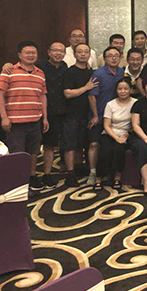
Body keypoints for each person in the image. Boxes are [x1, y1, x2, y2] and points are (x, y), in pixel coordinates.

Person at [0, 41, 48, 189]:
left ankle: (32, 176)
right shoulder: (9, 71)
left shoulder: (40, 73)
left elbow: (43, 96)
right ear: (20, 55)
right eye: (27, 53)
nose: (31, 55)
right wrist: (4, 117)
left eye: (33, 53)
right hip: (15, 122)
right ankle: (18, 182)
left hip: (35, 120)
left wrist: (45, 117)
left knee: (34, 151)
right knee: (17, 153)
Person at [88, 46, 125, 188]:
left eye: (116, 55)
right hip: (99, 114)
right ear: (104, 58)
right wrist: (95, 115)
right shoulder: (98, 73)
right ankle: (93, 172)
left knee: (109, 146)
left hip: (115, 115)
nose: (114, 58)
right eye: (110, 56)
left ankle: (110, 173)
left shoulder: (121, 72)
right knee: (94, 144)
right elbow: (91, 96)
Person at [62, 43, 97, 187]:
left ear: (90, 54)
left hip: (87, 114)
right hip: (72, 113)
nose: (83, 54)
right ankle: (70, 174)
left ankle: (78, 167)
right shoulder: (69, 72)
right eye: (80, 52)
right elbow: (68, 93)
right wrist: (86, 87)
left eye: (86, 52)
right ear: (75, 54)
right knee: (70, 145)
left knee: (82, 144)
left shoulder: (92, 73)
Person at [34, 42, 67, 187]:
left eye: (61, 51)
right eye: (55, 50)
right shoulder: (39, 65)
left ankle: (47, 174)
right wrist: (8, 65)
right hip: (38, 110)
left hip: (57, 111)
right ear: (48, 52)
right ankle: (31, 175)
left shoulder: (64, 66)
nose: (58, 53)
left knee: (50, 144)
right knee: (34, 146)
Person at [100, 78, 137, 189]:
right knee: (105, 150)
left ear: (130, 90)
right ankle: (100, 176)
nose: (123, 91)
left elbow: (136, 123)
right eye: (120, 89)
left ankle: (117, 176)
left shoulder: (135, 103)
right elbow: (106, 125)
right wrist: (116, 137)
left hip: (126, 134)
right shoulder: (110, 104)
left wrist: (127, 135)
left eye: (126, 89)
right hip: (110, 133)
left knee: (119, 149)